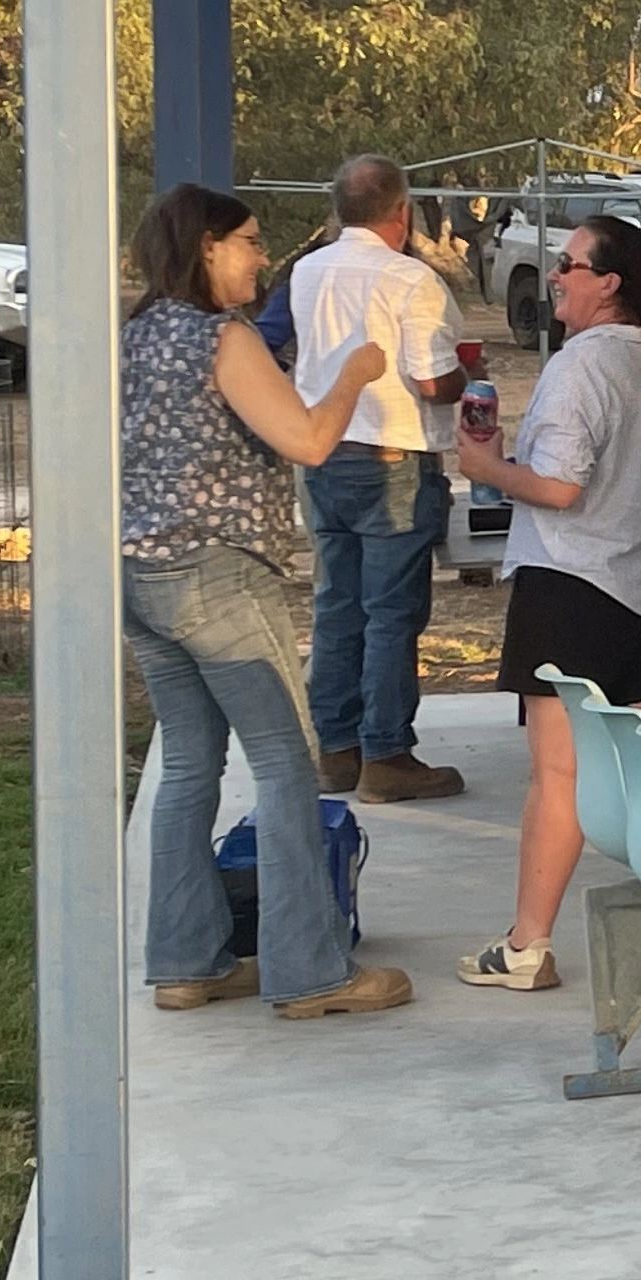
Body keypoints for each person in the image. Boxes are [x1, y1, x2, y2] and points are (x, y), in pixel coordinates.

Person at [117, 183, 412, 1019]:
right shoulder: (224, 336)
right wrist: (354, 373)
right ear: (206, 246)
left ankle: (186, 963)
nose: (261, 256)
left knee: (189, 763)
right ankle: (312, 973)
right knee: (287, 765)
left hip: (141, 574)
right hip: (219, 576)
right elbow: (310, 441)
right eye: (248, 240)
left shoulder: (135, 334)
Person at [448, 214, 641, 991]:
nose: (554, 275)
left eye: (569, 264)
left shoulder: (579, 365)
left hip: (571, 585)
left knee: (558, 776)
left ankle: (527, 945)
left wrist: (486, 467)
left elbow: (559, 488)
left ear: (609, 282)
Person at [289, 152, 470, 804]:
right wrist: (465, 377)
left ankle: (337, 748)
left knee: (337, 604)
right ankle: (386, 752)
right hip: (393, 453)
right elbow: (431, 380)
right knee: (391, 612)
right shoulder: (410, 279)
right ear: (403, 211)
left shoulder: (307, 270)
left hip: (324, 447)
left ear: (339, 210)